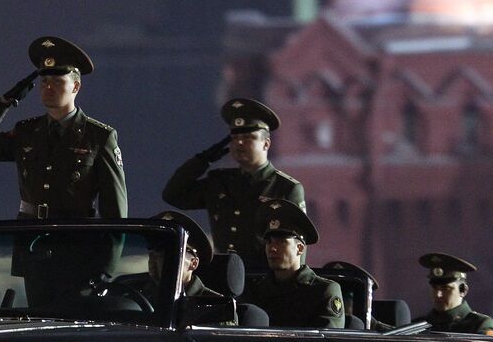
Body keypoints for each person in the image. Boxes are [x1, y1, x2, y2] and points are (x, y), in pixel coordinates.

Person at [0, 36, 126, 220]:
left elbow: (114, 210)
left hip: (75, 235)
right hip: (30, 234)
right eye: (44, 81)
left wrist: (109, 239)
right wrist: (3, 103)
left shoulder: (98, 137)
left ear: (76, 86)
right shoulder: (27, 131)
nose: (48, 87)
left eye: (57, 81)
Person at [161, 97, 304, 269]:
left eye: (248, 137)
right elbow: (173, 195)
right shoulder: (220, 181)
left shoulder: (285, 187)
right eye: (235, 138)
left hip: (262, 277)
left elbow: (298, 247)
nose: (239, 143)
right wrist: (203, 159)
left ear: (266, 144)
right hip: (223, 274)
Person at [247, 199, 344, 329]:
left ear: (300, 248)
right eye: (269, 242)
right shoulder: (255, 291)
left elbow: (327, 339)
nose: (272, 248)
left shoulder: (322, 291)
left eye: (281, 242)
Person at [145, 210, 234, 324]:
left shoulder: (216, 307)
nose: (154, 262)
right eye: (152, 255)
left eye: (167, 256)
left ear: (193, 263)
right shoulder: (142, 295)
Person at [420, 252, 493, 336]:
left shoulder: (479, 325)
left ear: (463, 290)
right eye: (434, 288)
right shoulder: (418, 326)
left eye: (446, 288)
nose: (438, 294)